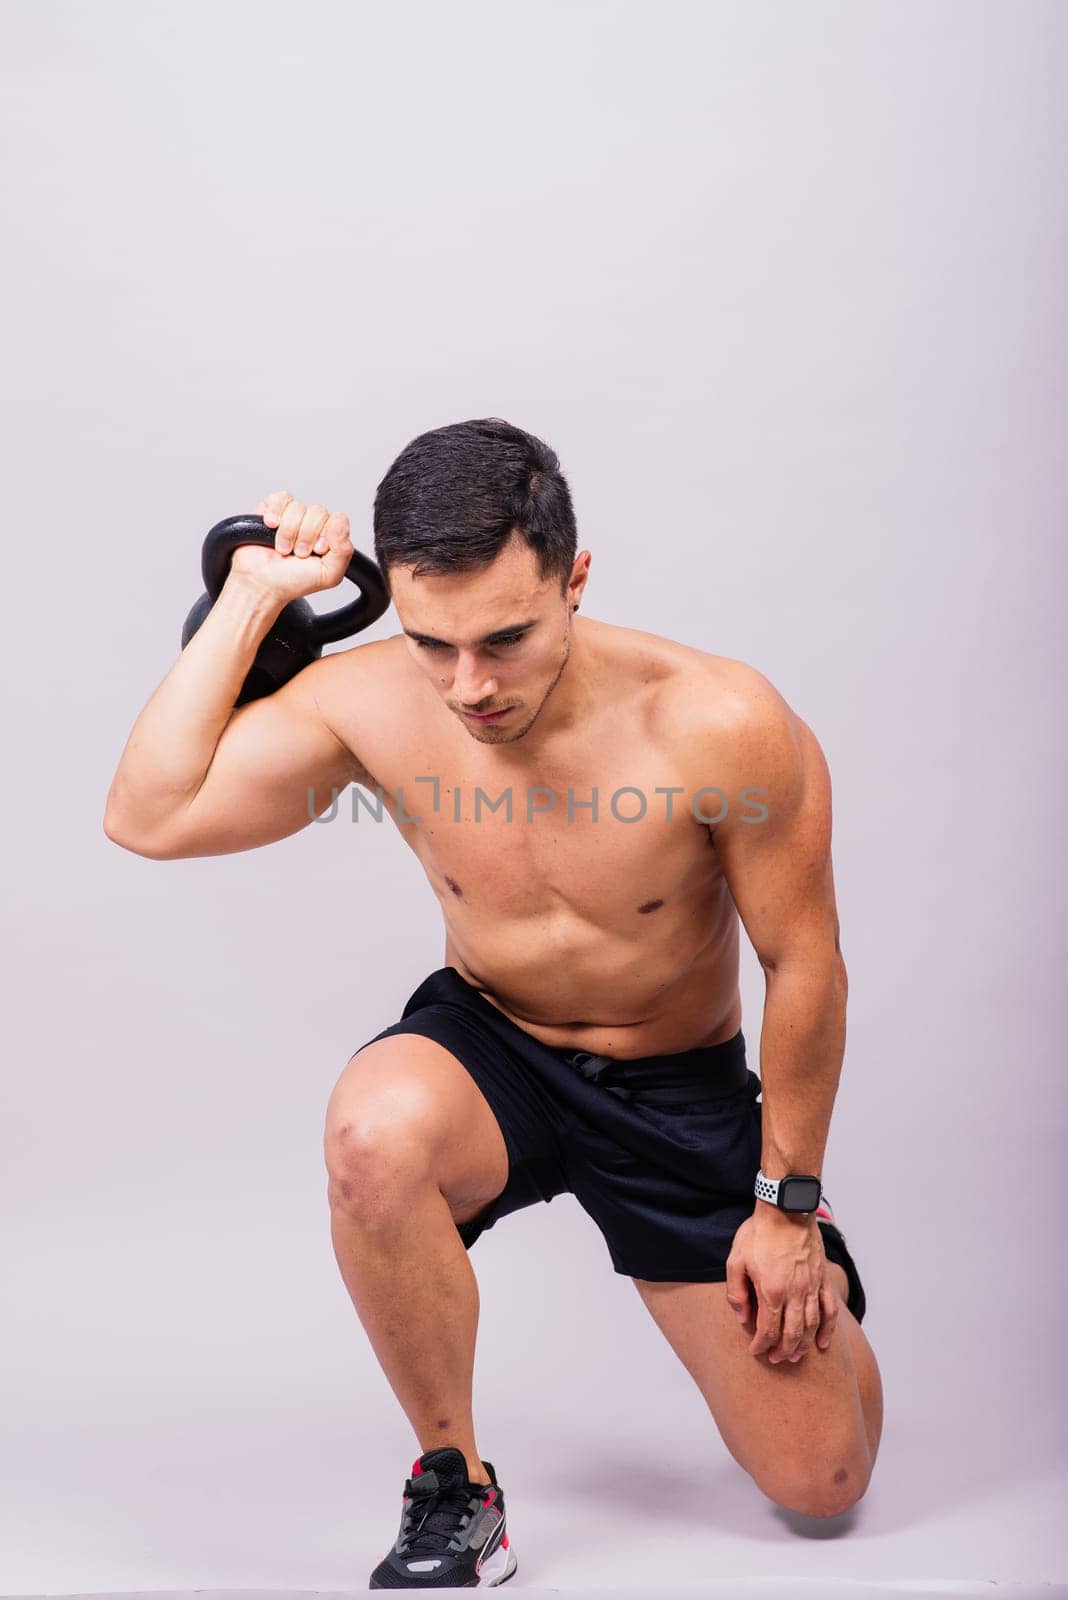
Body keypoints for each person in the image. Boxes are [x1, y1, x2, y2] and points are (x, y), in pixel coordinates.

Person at [104, 417, 883, 1588]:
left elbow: (805, 964)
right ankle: (455, 1488)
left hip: (671, 1083)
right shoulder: (374, 700)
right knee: (372, 1133)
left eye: (507, 638)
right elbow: (148, 814)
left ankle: (812, 1269)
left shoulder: (719, 722)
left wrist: (787, 1204)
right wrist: (256, 597)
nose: (471, 686)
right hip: (492, 1046)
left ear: (574, 577)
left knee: (823, 1479)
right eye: (433, 642)